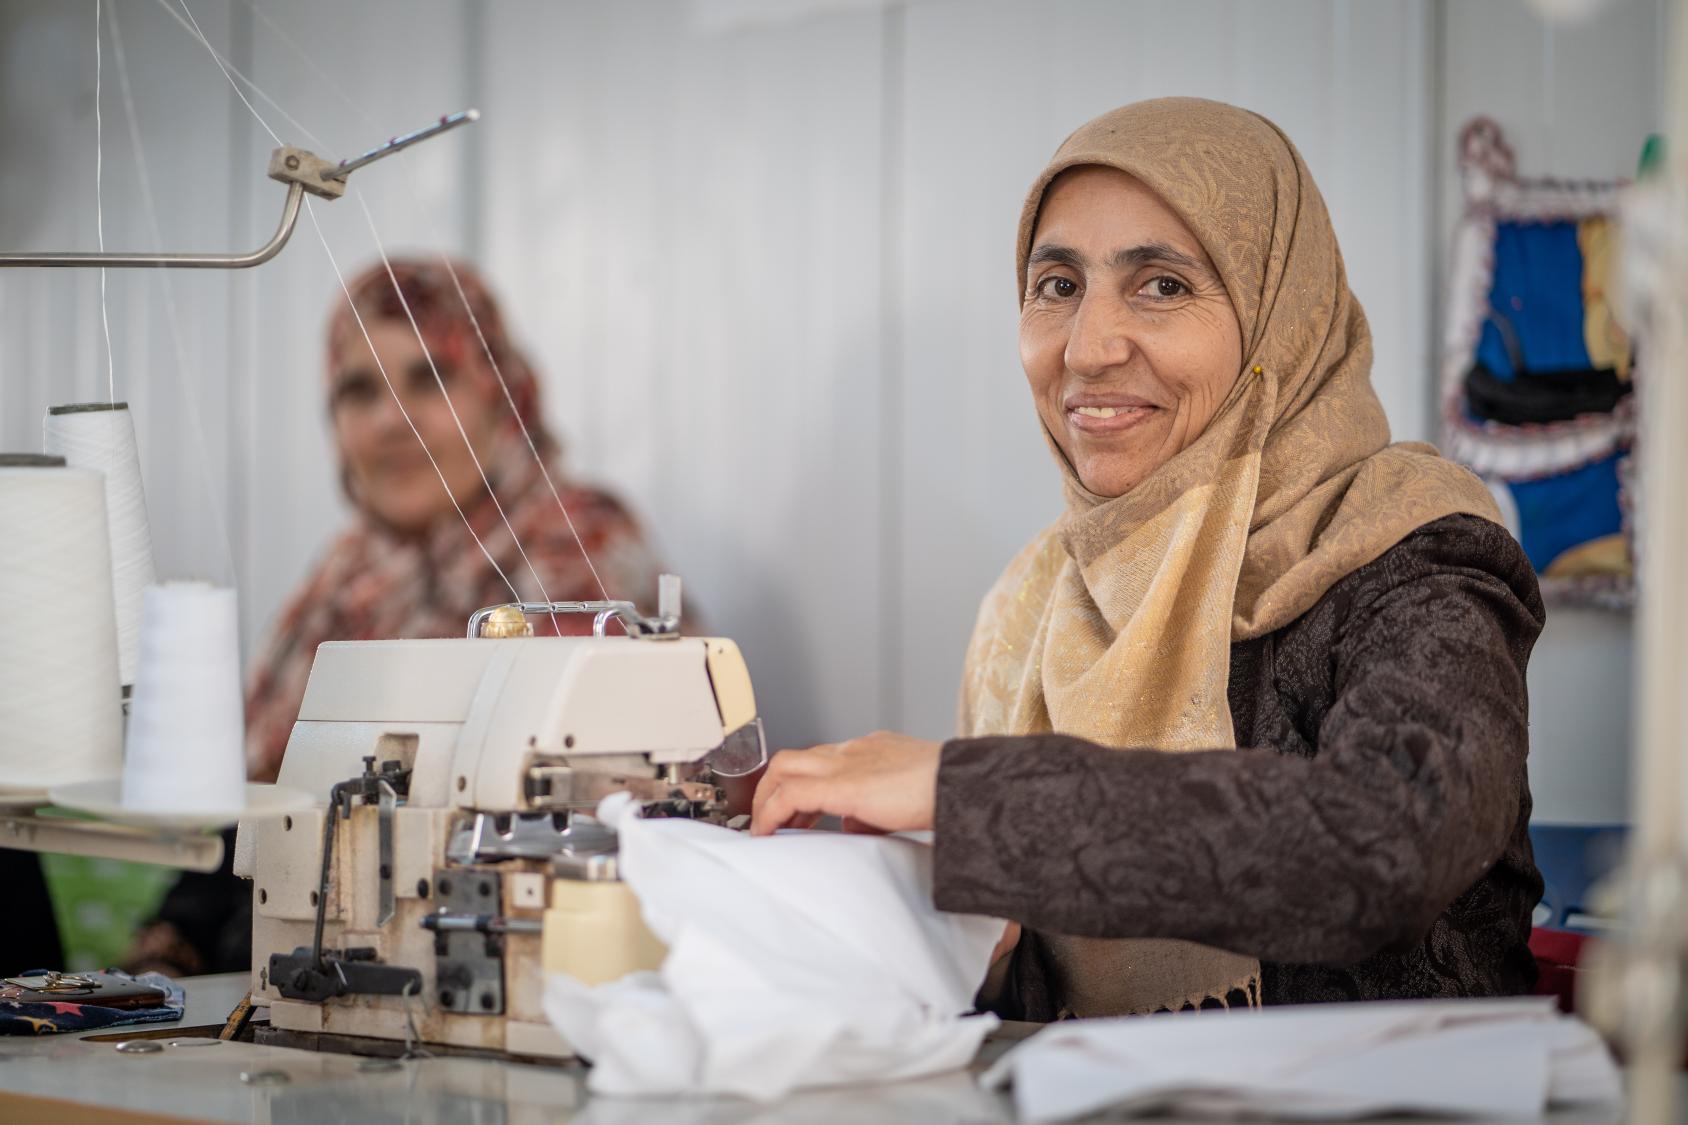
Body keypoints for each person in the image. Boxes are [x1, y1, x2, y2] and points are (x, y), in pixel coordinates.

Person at [750, 98, 1544, 1020]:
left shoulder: (1416, 554)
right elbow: (1033, 1011)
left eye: (1162, 285)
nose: (1088, 348)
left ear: (1278, 313)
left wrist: (966, 795)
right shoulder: (1030, 606)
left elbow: (1387, 842)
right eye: (1057, 286)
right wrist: (971, 946)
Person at [125, 258, 668, 976]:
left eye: (430, 378)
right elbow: (244, 824)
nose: (390, 420)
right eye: (358, 390)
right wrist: (162, 963)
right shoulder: (340, 580)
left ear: (499, 391)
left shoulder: (577, 549)